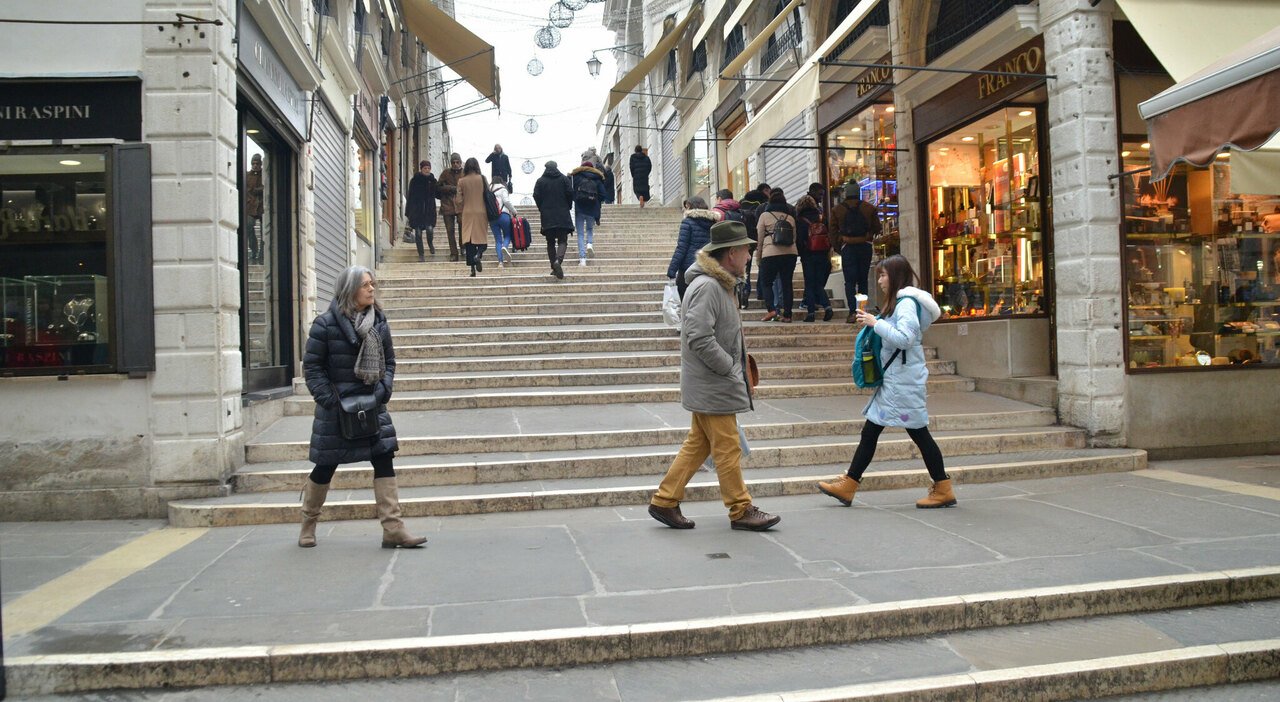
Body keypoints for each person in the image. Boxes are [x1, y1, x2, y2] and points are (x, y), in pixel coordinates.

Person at [648, 221, 781, 532]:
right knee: (727, 446)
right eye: (747, 250)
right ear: (731, 253)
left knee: (699, 444)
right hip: (714, 383)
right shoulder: (709, 286)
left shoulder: (720, 284)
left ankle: (665, 500)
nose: (750, 255)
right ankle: (740, 508)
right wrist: (729, 368)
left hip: (712, 383)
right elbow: (698, 335)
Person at [298, 266, 428, 549]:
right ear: (349, 290)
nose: (372, 289)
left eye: (372, 284)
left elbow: (390, 362)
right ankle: (308, 522)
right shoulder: (325, 324)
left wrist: (383, 390)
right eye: (365, 285)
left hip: (372, 404)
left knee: (384, 459)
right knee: (324, 467)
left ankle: (393, 529)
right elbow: (313, 368)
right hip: (336, 409)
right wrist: (329, 401)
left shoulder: (379, 321)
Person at [817, 255, 954, 509]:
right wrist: (875, 322)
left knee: (917, 432)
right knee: (874, 431)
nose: (879, 280)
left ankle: (942, 487)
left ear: (895, 276)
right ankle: (850, 483)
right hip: (897, 382)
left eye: (882, 275)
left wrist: (875, 323)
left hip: (902, 383)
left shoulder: (905, 304)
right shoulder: (901, 303)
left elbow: (906, 339)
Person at [832, 183, 881, 323]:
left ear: (845, 193)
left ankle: (852, 312)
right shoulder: (869, 208)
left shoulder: (837, 210)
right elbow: (877, 228)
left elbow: (832, 233)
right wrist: (867, 237)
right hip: (864, 246)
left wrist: (839, 247)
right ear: (859, 192)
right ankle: (862, 311)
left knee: (849, 282)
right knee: (863, 280)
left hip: (847, 247)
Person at [756, 189, 798, 322]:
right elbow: (794, 237)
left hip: (770, 253)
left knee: (766, 282)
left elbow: (760, 238)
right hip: (790, 253)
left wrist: (758, 257)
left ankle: (772, 310)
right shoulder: (790, 218)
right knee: (787, 284)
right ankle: (788, 315)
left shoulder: (764, 216)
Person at [666, 195, 717, 299]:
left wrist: (672, 270)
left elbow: (682, 247)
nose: (685, 209)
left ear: (690, 206)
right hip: (707, 266)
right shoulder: (713, 222)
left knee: (686, 299)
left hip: (688, 268)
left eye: (686, 207)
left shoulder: (687, 222)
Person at [795, 186, 833, 322]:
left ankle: (811, 313)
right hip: (822, 253)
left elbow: (799, 239)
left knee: (810, 284)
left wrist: (801, 252)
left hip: (808, 255)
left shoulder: (800, 220)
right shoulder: (821, 217)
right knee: (818, 283)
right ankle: (827, 306)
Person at [533, 160, 575, 279]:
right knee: (563, 240)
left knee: (550, 242)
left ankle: (554, 265)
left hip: (547, 216)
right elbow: (570, 193)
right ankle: (557, 262)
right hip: (562, 214)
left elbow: (536, 195)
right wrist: (568, 205)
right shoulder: (564, 179)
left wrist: (542, 207)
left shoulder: (540, 181)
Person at [455, 157, 490, 277]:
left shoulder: (461, 181)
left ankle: (472, 269)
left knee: (469, 241)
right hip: (481, 211)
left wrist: (460, 208)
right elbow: (488, 194)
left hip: (467, 212)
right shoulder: (482, 178)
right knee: (481, 238)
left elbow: (458, 200)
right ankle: (478, 255)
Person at [570, 160, 607, 266]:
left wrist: (576, 199)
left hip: (579, 208)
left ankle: (582, 259)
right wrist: (596, 200)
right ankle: (590, 244)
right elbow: (603, 195)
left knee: (580, 234)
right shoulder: (598, 177)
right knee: (590, 229)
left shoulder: (576, 177)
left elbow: (571, 192)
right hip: (592, 208)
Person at [405, 160, 438, 261]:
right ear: (421, 169)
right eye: (425, 168)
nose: (427, 170)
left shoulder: (433, 181)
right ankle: (421, 254)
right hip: (417, 211)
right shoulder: (415, 180)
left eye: (428, 168)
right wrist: (408, 212)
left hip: (429, 211)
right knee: (418, 233)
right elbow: (410, 196)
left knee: (429, 230)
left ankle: (430, 243)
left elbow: (437, 193)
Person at [435, 153, 464, 262]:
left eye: (457, 162)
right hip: (447, 205)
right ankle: (453, 253)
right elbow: (437, 187)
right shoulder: (446, 173)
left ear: (460, 162)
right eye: (453, 162)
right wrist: (450, 188)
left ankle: (463, 245)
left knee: (463, 227)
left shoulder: (464, 173)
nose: (455, 164)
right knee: (450, 230)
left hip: (461, 205)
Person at [489, 179, 518, 268]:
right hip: (504, 215)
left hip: (492, 218)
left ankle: (500, 262)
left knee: (498, 240)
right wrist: (514, 211)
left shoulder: (488, 190)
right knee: (508, 235)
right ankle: (505, 246)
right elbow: (506, 201)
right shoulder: (503, 189)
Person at [244, 154, 264, 264]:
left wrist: (258, 190)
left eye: (257, 163)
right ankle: (254, 250)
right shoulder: (247, 175)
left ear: (261, 164)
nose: (255, 165)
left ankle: (262, 252)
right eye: (253, 163)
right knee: (249, 226)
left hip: (262, 207)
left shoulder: (265, 175)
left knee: (264, 231)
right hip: (250, 206)